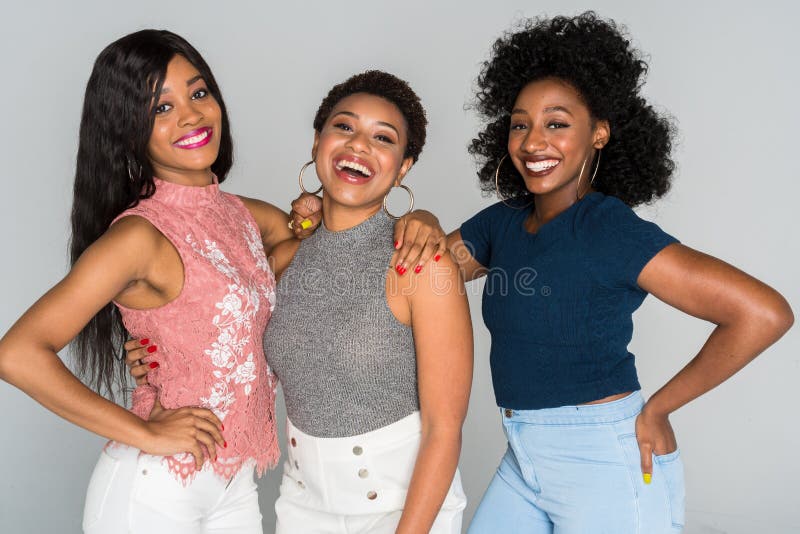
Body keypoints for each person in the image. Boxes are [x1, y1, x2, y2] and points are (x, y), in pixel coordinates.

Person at [0, 30, 439, 533]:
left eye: (198, 92)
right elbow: (16, 353)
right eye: (160, 108)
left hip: (236, 488)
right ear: (127, 129)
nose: (190, 115)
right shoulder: (138, 237)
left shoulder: (243, 215)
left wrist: (417, 214)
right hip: (156, 489)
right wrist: (144, 433)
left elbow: (332, 233)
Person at [444, 12, 793, 533]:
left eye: (557, 123)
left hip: (605, 459)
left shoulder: (608, 230)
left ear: (599, 133)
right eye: (521, 124)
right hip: (524, 457)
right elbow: (418, 274)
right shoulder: (503, 223)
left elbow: (764, 313)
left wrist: (660, 408)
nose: (534, 141)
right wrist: (420, 221)